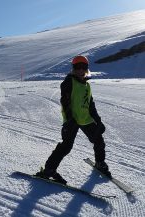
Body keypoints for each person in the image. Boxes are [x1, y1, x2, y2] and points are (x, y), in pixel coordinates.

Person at [36, 55, 111, 184]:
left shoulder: (87, 85)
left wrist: (98, 120)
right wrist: (69, 120)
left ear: (87, 68)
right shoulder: (69, 82)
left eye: (84, 67)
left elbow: (90, 104)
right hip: (72, 120)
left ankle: (100, 163)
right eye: (77, 67)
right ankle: (48, 170)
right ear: (73, 68)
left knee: (99, 140)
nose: (81, 70)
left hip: (85, 119)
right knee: (66, 147)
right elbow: (65, 102)